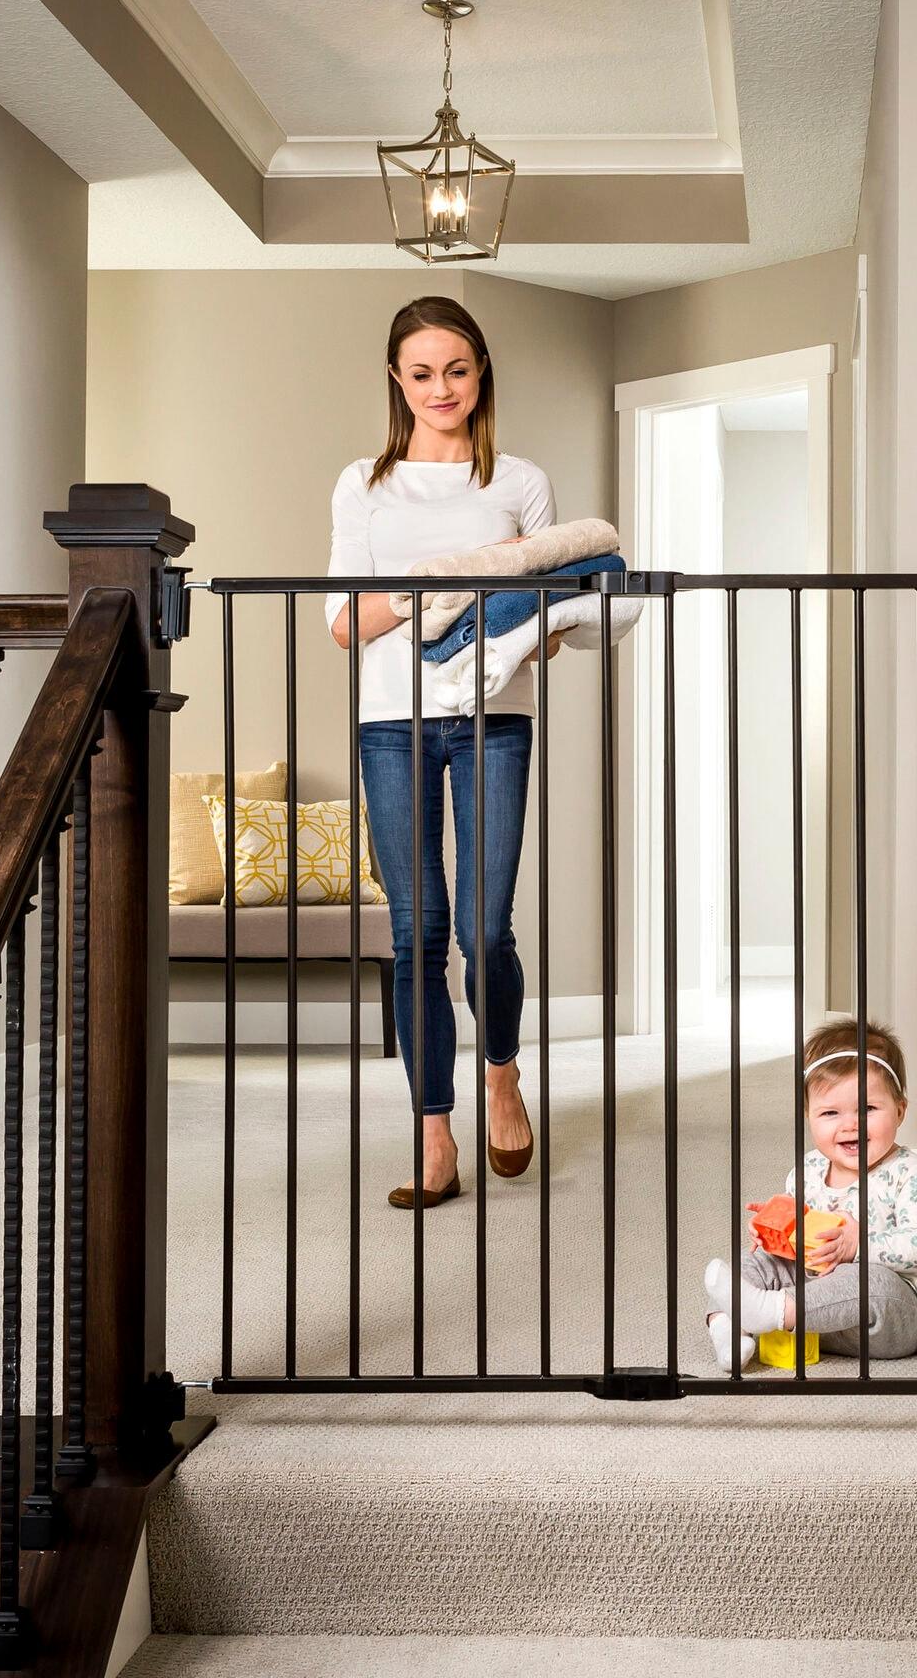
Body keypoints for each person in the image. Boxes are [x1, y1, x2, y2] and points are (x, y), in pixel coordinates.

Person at [328, 295, 569, 1208]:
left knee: (482, 927)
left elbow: (545, 619)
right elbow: (345, 621)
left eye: (457, 370)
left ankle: (500, 1072)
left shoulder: (519, 482)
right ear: (397, 378)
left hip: (493, 718)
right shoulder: (364, 484)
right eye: (421, 372)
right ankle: (435, 1132)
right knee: (415, 934)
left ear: (481, 375)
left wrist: (508, 601)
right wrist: (453, 582)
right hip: (390, 723)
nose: (441, 388)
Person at [704, 1020, 917, 1366]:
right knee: (751, 1266)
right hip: (817, 1310)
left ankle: (771, 1312)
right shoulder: (807, 1172)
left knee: (867, 1279)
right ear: (809, 1117)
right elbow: (798, 1245)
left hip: (890, 1318)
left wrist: (858, 1246)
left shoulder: (909, 1176)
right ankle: (728, 1329)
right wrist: (776, 1230)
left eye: (867, 1109)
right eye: (830, 1113)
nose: (850, 1124)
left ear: (900, 1110)